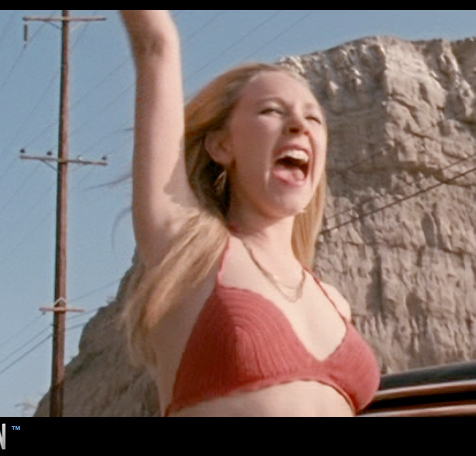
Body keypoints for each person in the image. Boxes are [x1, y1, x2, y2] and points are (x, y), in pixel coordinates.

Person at [118, 10, 380, 417]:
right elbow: (156, 44)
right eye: (272, 111)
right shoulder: (190, 254)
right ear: (222, 146)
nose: (299, 125)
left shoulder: (335, 303)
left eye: (313, 117)